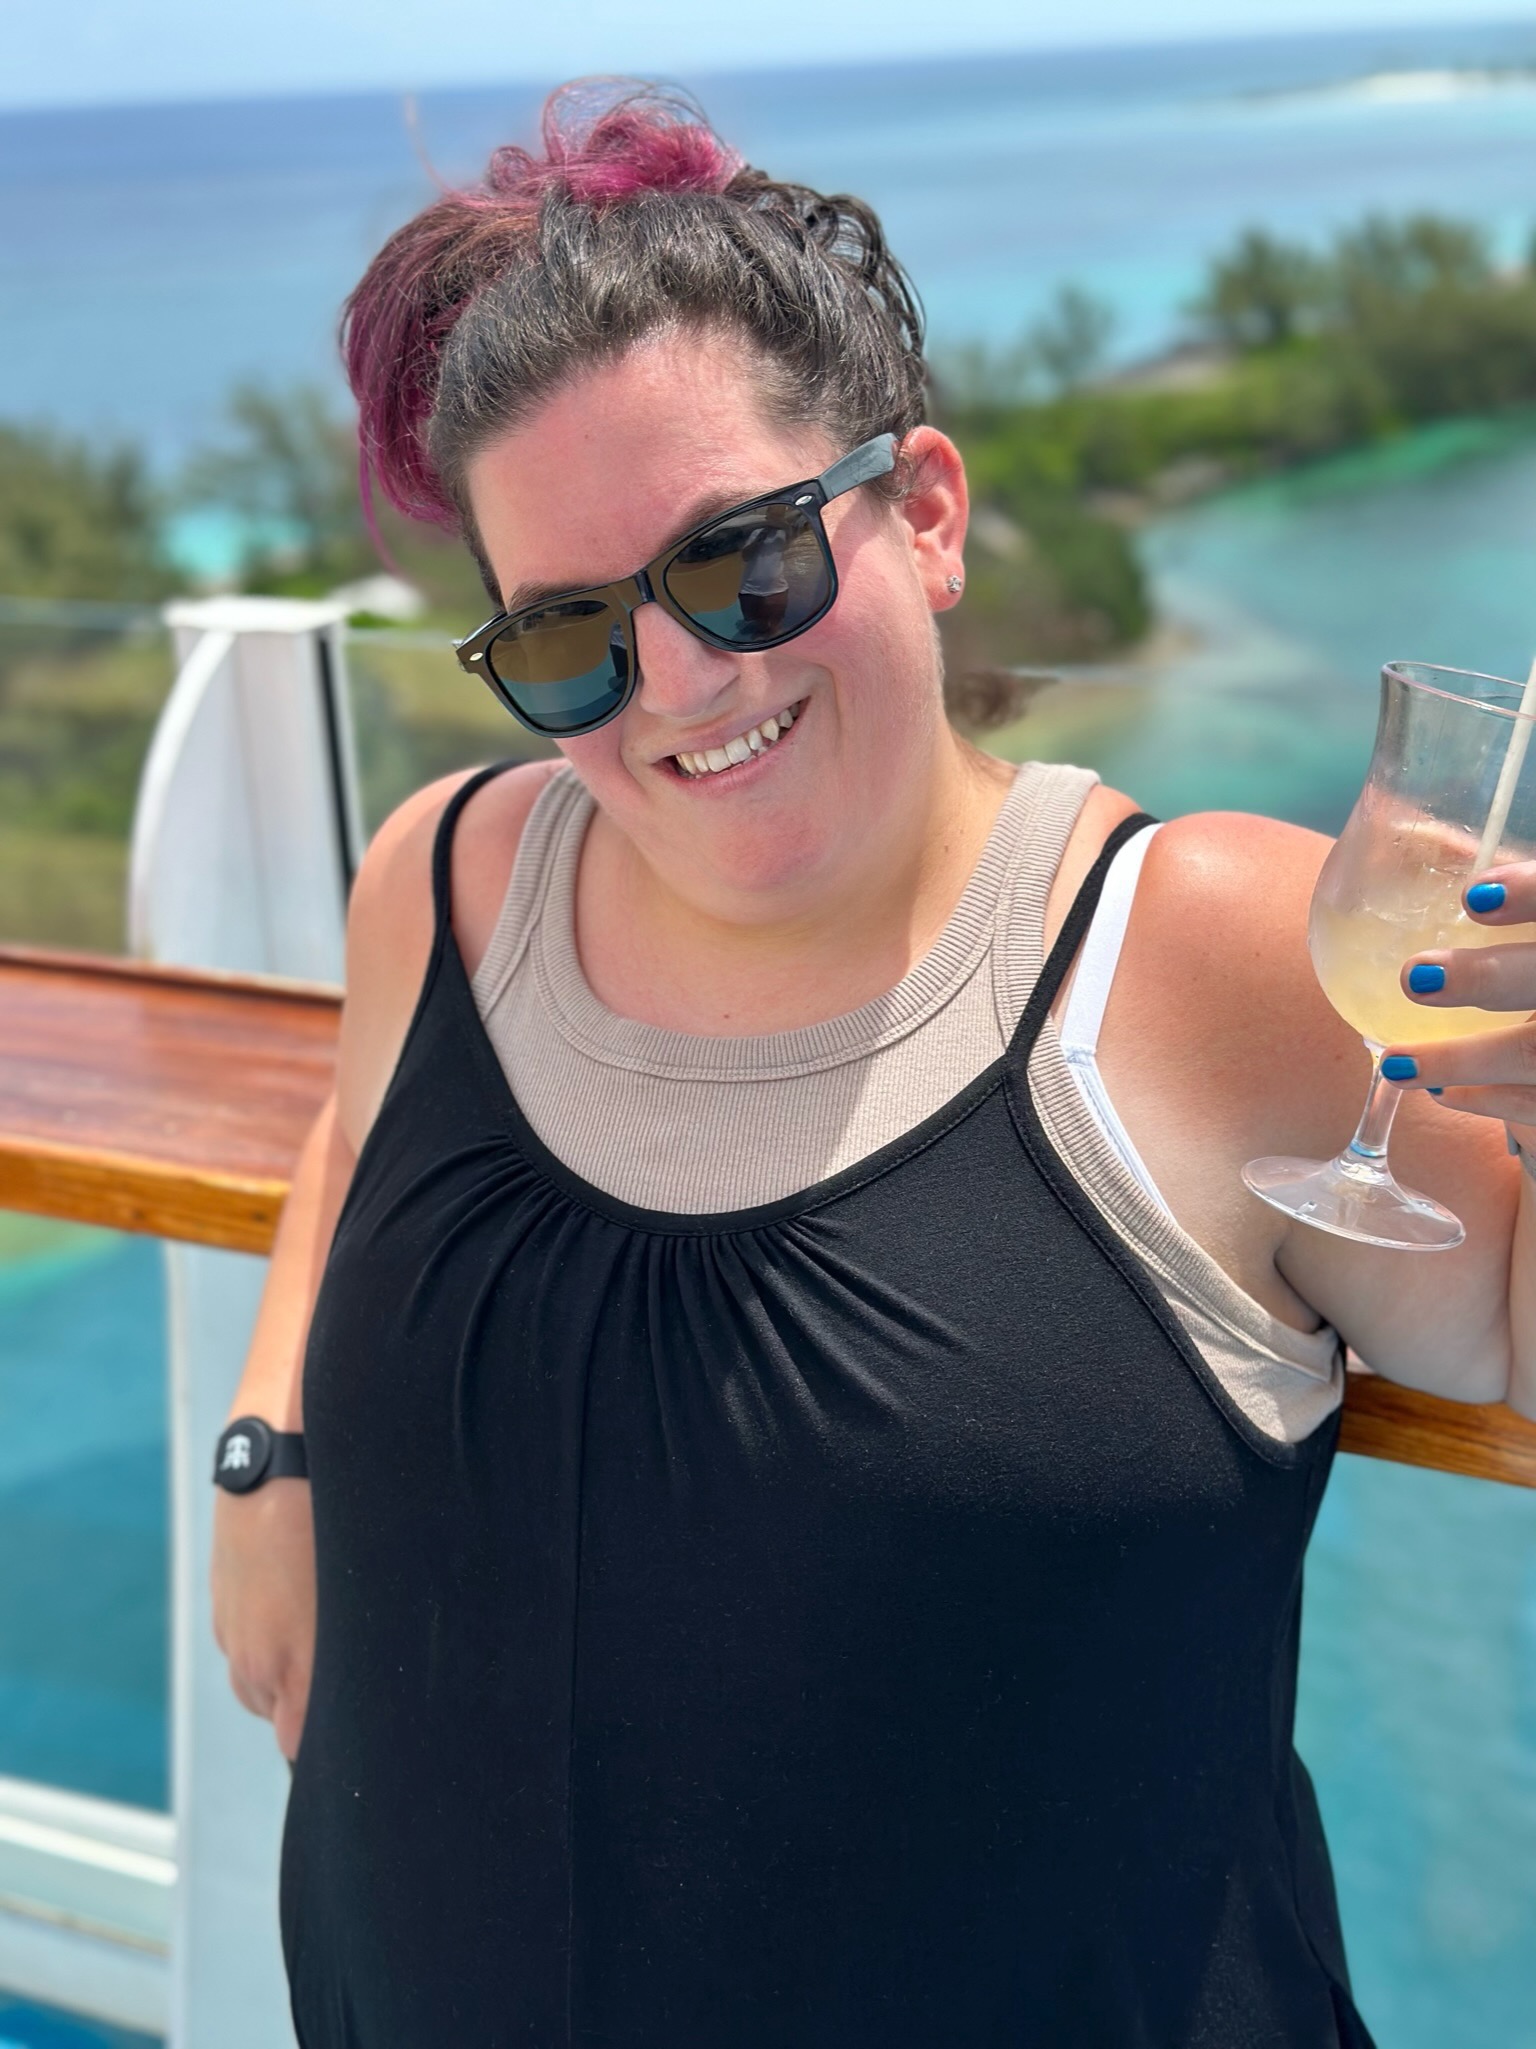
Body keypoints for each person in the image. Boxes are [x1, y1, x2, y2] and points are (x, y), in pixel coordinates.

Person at [211, 82, 1535, 2048]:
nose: (680, 683)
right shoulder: (448, 878)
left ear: (926, 511)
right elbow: (354, 1134)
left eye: (740, 561)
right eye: (567, 638)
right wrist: (272, 1434)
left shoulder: (1215, 959)